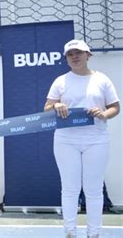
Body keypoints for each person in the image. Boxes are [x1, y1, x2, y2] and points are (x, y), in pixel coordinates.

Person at [44, 39, 120, 238]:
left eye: (78, 52)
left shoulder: (102, 80)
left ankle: (93, 234)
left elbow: (115, 107)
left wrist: (104, 114)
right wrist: (56, 106)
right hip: (65, 140)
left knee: (93, 189)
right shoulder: (60, 81)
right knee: (70, 188)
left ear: (88, 55)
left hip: (96, 139)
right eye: (70, 54)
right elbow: (47, 108)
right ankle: (70, 232)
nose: (74, 57)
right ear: (66, 58)